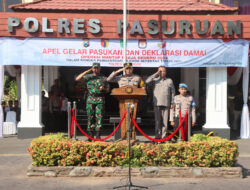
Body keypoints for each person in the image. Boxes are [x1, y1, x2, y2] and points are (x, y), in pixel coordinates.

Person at [75, 62, 109, 140]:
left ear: (100, 68)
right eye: (94, 68)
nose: (96, 69)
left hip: (100, 99)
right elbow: (77, 79)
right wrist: (87, 71)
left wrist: (103, 89)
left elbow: (108, 90)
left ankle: (98, 134)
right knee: (90, 117)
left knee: (99, 117)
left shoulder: (103, 78)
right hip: (90, 98)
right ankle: (90, 135)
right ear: (92, 68)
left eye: (97, 68)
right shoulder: (88, 77)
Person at [145, 66, 175, 139]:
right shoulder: (155, 80)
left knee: (165, 122)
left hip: (166, 103)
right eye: (160, 71)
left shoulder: (169, 80)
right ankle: (157, 137)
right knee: (157, 122)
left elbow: (173, 92)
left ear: (166, 72)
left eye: (163, 71)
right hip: (157, 104)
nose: (162, 72)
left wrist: (172, 102)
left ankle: (164, 137)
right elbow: (147, 81)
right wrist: (156, 74)